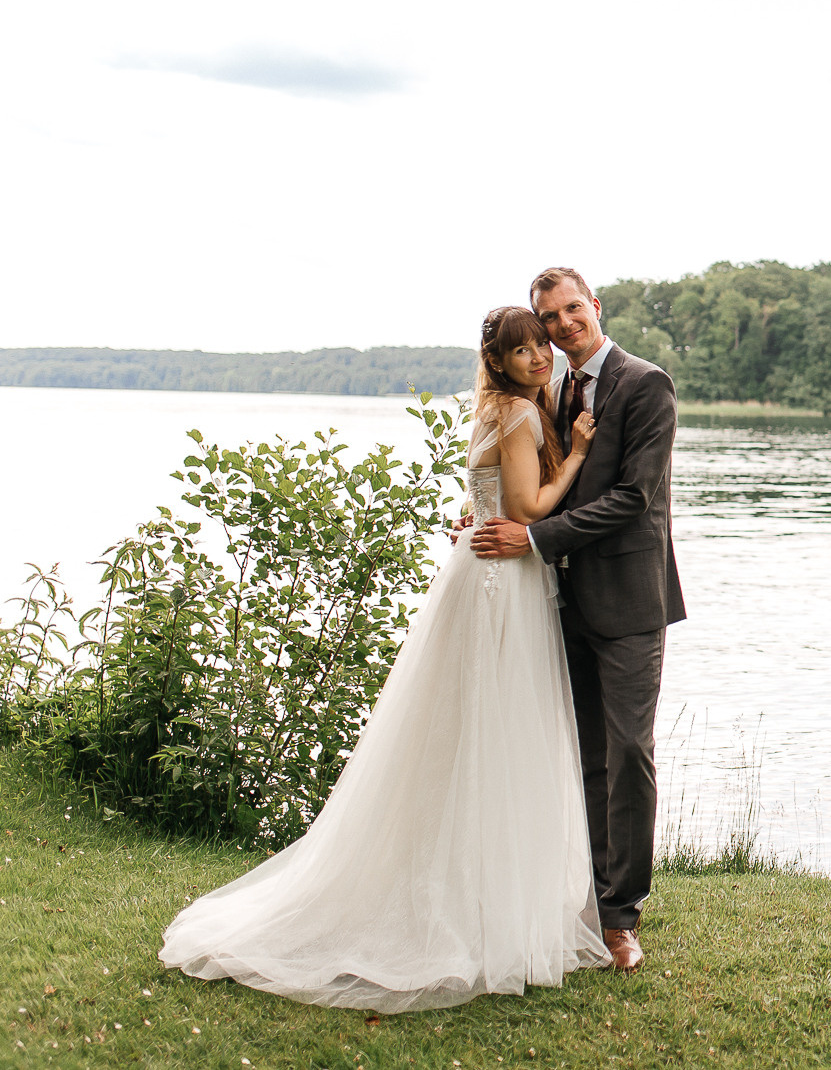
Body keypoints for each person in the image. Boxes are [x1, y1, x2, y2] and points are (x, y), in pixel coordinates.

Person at [159, 307, 611, 1011]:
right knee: (500, 734)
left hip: (477, 574)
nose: (537, 359)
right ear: (499, 359)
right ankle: (483, 904)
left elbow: (488, 498)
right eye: (522, 351)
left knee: (464, 734)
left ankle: (469, 886)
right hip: (503, 579)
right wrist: (578, 453)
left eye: (541, 347)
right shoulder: (522, 416)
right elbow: (524, 508)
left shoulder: (494, 408)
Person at [470, 267, 684, 976]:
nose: (562, 326)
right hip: (559, 599)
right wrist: (489, 516)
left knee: (628, 753)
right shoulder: (550, 390)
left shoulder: (645, 383)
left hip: (627, 600)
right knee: (581, 754)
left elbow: (632, 497)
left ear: (595, 306)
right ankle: (587, 898)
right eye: (548, 318)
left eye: (570, 310)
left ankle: (622, 917)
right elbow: (535, 484)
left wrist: (528, 539)